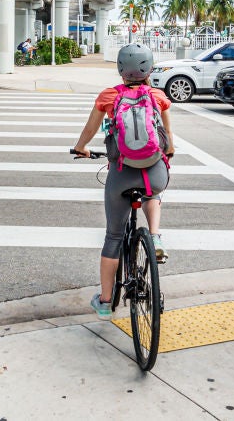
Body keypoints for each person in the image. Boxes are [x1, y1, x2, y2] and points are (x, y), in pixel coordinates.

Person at [72, 43, 174, 320]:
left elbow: (91, 128)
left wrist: (81, 147)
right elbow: (166, 132)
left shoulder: (109, 96)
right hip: (153, 171)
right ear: (150, 68)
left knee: (114, 237)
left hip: (121, 172)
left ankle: (105, 302)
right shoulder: (157, 95)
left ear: (119, 69)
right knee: (153, 193)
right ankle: (154, 236)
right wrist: (169, 150)